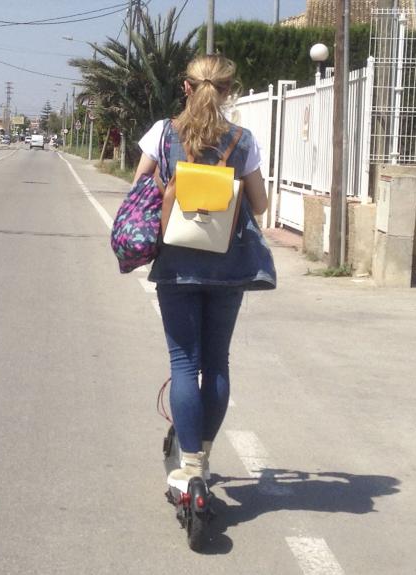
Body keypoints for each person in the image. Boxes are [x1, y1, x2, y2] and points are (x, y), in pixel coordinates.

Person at [132, 55, 276, 492]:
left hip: (176, 262)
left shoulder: (163, 133)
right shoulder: (243, 140)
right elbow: (260, 205)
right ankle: (203, 458)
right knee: (216, 362)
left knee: (183, 361)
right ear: (229, 90)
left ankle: (188, 466)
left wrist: (173, 185)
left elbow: (139, 187)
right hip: (228, 265)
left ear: (186, 87)